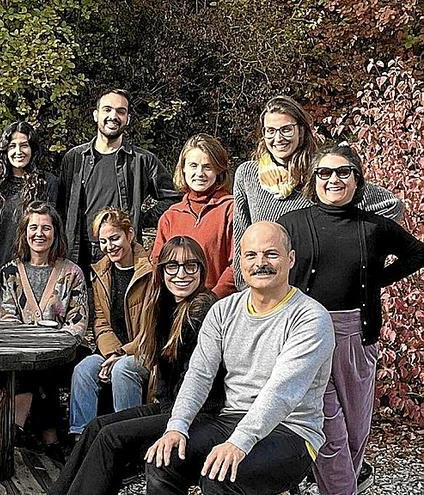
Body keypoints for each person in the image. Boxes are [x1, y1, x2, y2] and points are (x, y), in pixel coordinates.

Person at [144, 221, 334, 494]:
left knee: (221, 477)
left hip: (292, 430)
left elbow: (281, 392)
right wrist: (177, 426)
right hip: (231, 418)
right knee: (164, 460)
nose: (261, 263)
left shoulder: (310, 317)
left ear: (290, 259)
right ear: (240, 263)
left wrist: (239, 443)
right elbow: (199, 374)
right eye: (251, 255)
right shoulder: (223, 310)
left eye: (271, 254)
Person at [278, 144, 424, 495]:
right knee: (330, 429)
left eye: (343, 172)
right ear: (313, 180)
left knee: (356, 431)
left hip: (357, 335)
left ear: (357, 180)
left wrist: (375, 282)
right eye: (324, 173)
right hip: (307, 336)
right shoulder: (292, 224)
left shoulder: (374, 227)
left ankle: (342, 485)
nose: (333, 179)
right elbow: (264, 267)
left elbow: (418, 253)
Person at [51, 236, 222, 495]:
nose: (181, 274)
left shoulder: (201, 310)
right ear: (162, 271)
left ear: (201, 270)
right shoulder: (164, 306)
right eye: (172, 266)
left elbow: (197, 382)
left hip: (196, 415)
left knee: (111, 437)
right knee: (96, 427)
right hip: (168, 406)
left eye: (191, 266)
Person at [232, 95, 403, 288]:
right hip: (266, 288)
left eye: (286, 129)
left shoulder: (322, 172)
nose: (278, 138)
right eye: (270, 131)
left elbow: (390, 205)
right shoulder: (247, 174)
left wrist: (346, 242)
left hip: (313, 290)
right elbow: (241, 236)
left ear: (302, 131)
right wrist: (244, 289)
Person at [0, 201, 88, 457]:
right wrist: (28, 342)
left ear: (55, 233)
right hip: (22, 350)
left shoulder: (72, 272)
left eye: (46, 228)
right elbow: (6, 315)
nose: (39, 234)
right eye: (33, 227)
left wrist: (53, 343)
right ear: (24, 232)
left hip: (62, 351)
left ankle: (16, 429)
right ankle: (48, 439)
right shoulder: (10, 272)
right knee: (31, 367)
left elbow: (78, 321)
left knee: (44, 366)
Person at [57, 88, 179, 268]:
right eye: (107, 109)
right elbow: (61, 208)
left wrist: (141, 218)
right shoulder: (74, 158)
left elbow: (174, 197)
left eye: (120, 111)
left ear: (127, 119)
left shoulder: (142, 160)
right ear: (96, 115)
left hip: (122, 252)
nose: (113, 116)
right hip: (78, 253)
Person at [68, 207, 152, 436]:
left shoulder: (150, 271)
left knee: (123, 370)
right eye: (103, 242)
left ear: (130, 234)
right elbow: (101, 322)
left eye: (115, 238)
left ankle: (128, 437)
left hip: (144, 351)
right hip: (113, 350)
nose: (109, 246)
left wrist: (122, 354)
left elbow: (152, 327)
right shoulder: (100, 272)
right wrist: (111, 354)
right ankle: (81, 437)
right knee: (84, 369)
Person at [152, 133, 235, 298]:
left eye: (207, 166)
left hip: (218, 306)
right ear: (183, 168)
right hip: (176, 306)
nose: (200, 173)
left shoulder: (231, 209)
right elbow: (157, 263)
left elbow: (237, 264)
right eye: (193, 165)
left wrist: (211, 300)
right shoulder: (170, 216)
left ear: (219, 170)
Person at [0, 121, 58, 268]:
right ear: (5, 150)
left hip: (27, 266)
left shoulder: (47, 183)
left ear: (33, 149)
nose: (18, 151)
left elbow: (51, 230)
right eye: (12, 146)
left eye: (24, 145)